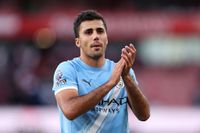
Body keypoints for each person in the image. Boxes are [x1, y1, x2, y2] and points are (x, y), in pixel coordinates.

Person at [52, 10, 150, 133]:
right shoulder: (68, 69)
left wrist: (127, 78)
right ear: (78, 42)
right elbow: (70, 110)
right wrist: (109, 84)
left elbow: (144, 115)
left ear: (106, 39)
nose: (96, 36)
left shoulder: (123, 71)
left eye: (100, 31)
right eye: (88, 32)